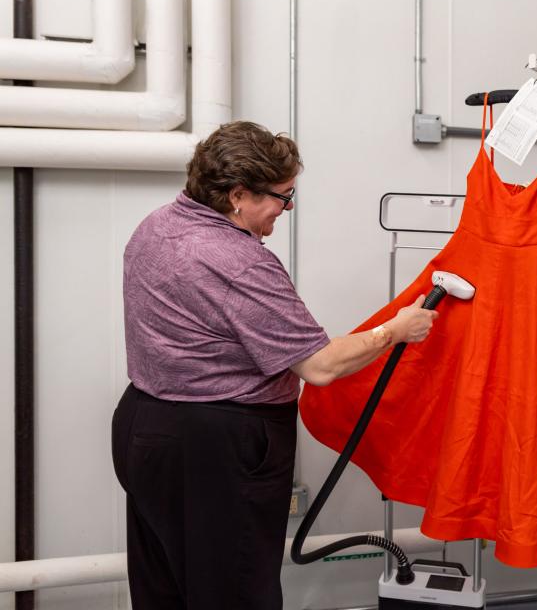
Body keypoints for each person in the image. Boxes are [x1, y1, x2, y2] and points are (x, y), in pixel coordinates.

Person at [111, 120, 438, 609]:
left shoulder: (156, 227)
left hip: (144, 429)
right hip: (215, 447)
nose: (288, 208)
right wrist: (396, 330)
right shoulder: (237, 261)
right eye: (283, 197)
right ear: (238, 194)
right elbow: (321, 366)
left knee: (165, 587)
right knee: (236, 593)